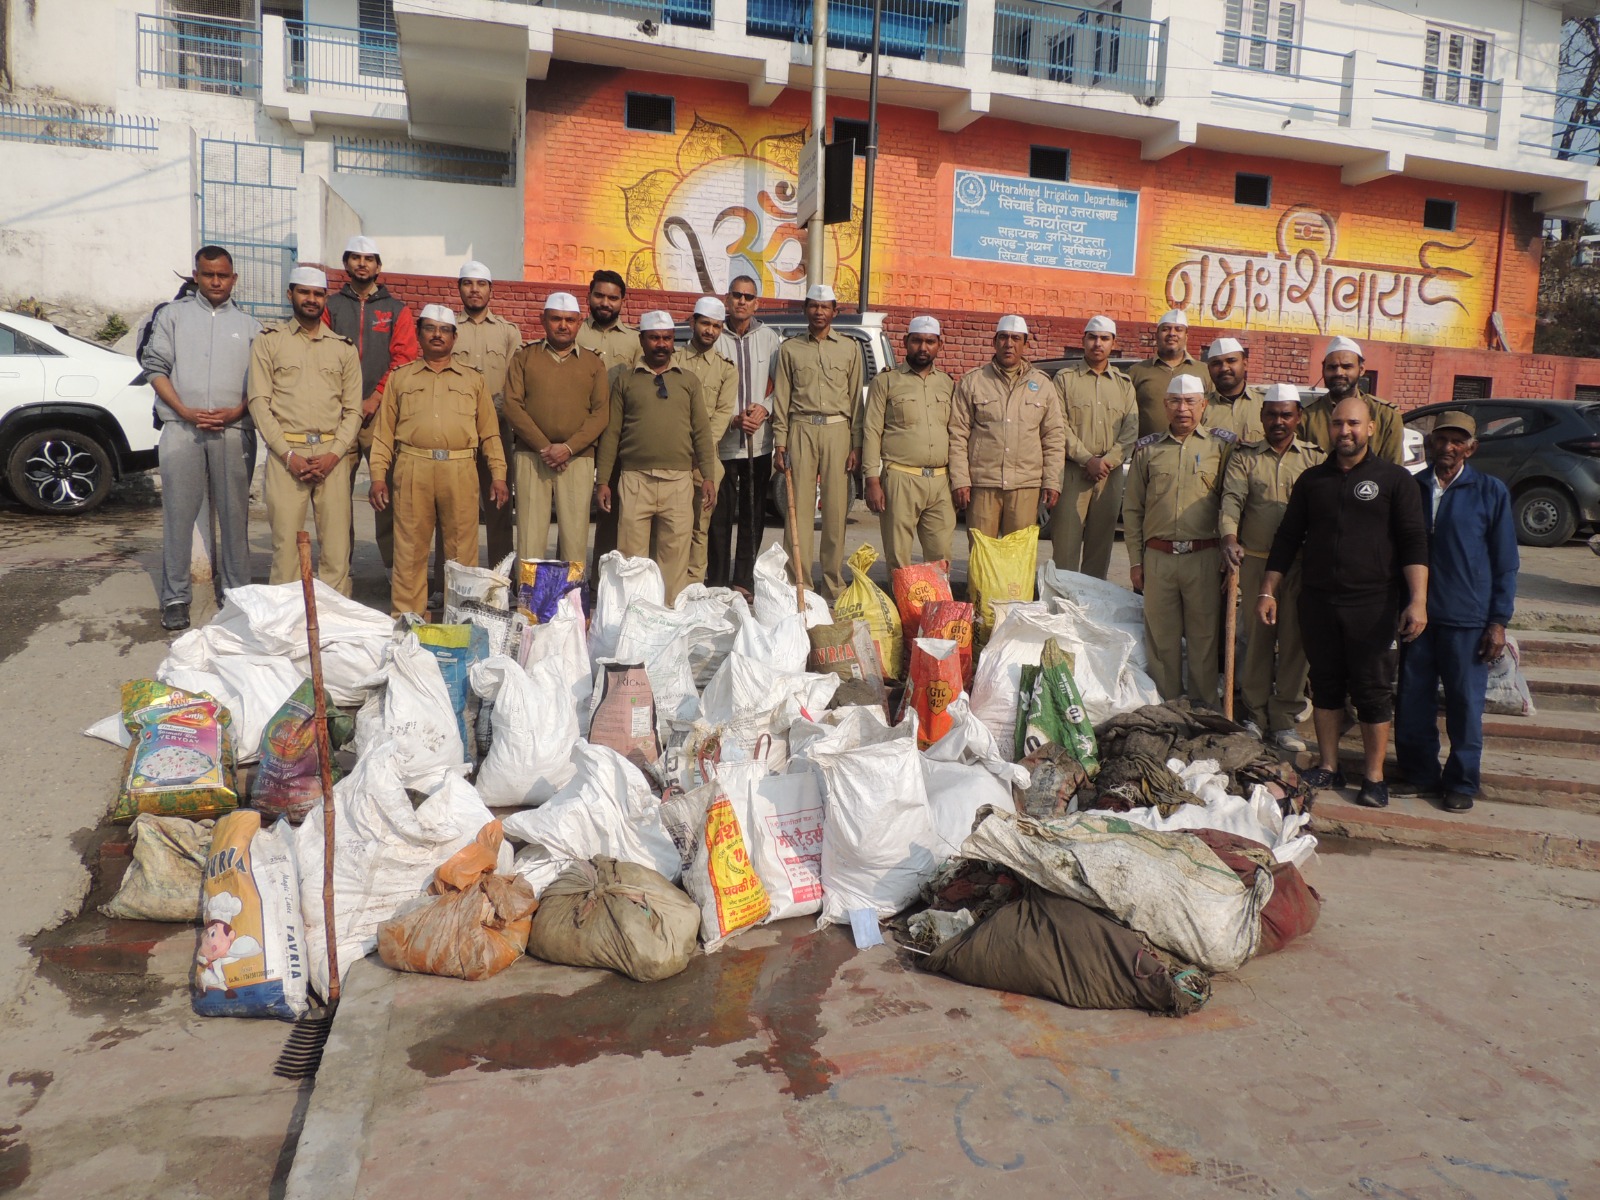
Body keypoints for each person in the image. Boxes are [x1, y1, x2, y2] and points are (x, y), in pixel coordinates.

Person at [1260, 396, 1430, 809]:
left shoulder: (1394, 480)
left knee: (1372, 690)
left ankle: (1373, 777)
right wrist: (1269, 588)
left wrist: (1418, 601)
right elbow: (1287, 538)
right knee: (1326, 685)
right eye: (1338, 424)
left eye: (1353, 424)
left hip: (1372, 604)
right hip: (1318, 601)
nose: (1345, 431)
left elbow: (1413, 542)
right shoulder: (1312, 481)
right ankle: (1329, 764)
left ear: (1370, 428)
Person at [1395, 411, 1519, 812]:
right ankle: (1419, 774)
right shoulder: (1411, 488)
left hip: (1467, 618)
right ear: (1429, 444)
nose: (1447, 448)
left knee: (1465, 705)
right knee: (1414, 699)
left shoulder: (1489, 491)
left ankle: (1462, 782)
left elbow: (1505, 562)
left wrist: (1498, 622)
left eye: (1457, 441)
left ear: (1471, 448)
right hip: (1417, 616)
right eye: (1441, 440)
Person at [140, 245, 261, 631]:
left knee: (235, 515)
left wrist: (237, 411)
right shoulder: (173, 317)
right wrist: (185, 410)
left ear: (233, 278)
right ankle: (175, 596)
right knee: (178, 515)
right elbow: (155, 368)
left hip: (232, 430)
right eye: (208, 274)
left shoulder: (250, 326)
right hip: (182, 428)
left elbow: (262, 384)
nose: (215, 281)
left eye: (222, 275)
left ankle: (238, 593)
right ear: (196, 275)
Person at [367, 306, 508, 620]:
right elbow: (384, 433)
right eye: (430, 328)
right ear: (419, 334)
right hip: (413, 466)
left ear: (454, 337)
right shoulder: (401, 379)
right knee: (409, 551)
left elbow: (489, 432)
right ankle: (406, 622)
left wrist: (498, 474)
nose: (437, 335)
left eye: (444, 330)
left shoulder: (473, 380)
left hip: (460, 469)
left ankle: (460, 622)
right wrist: (378, 475)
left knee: (462, 553)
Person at [1220, 382, 1326, 752]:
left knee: (1296, 642)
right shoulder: (1245, 457)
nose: (1278, 421)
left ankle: (1284, 720)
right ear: (1261, 417)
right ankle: (1254, 715)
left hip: (1300, 565)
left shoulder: (1314, 458)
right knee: (1257, 641)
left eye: (1286, 414)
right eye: (1271, 414)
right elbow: (1232, 499)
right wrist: (1229, 537)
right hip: (1257, 563)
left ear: (1298, 417)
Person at [246, 266, 363, 595]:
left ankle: (332, 627)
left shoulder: (343, 349)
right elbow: (258, 401)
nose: (311, 299)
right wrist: (288, 454)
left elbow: (353, 410)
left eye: (317, 293)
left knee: (337, 552)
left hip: (332, 456)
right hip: (288, 457)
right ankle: (285, 628)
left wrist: (334, 454)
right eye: (303, 292)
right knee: (286, 550)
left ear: (325, 298)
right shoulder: (270, 342)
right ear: (290, 295)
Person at [1124, 374, 1238, 705]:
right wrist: (1135, 560)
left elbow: (1231, 501)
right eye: (1175, 401)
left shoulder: (1221, 446)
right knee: (1162, 641)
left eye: (1190, 401)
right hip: (1158, 559)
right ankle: (1167, 708)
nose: (1182, 409)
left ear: (1203, 405)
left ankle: (1204, 709)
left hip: (1203, 557)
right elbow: (1132, 510)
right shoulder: (1148, 450)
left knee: (1204, 638)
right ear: (1165, 405)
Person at [595, 311, 717, 605]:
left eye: (666, 338)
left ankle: (670, 617)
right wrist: (603, 481)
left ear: (673, 341)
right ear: (642, 340)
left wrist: (709, 476)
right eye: (654, 338)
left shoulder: (688, 381)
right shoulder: (625, 381)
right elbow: (612, 433)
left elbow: (701, 431)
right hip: (636, 481)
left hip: (679, 482)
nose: (661, 344)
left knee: (674, 558)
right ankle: (634, 617)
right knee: (632, 559)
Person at [322, 235, 419, 583]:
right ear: (346, 263)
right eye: (355, 258)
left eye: (369, 258)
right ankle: (339, 569)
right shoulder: (330, 306)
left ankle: (395, 570)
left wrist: (376, 397)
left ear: (379, 266)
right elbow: (323, 358)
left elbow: (404, 358)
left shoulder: (395, 310)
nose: (362, 264)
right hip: (339, 415)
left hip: (381, 415)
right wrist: (347, 402)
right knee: (336, 497)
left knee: (387, 494)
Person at [502, 292, 610, 564]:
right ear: (543, 320)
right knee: (530, 536)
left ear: (579, 323)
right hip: (532, 456)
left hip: (577, 457)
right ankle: (529, 602)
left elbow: (600, 413)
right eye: (556, 319)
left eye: (570, 320)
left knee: (575, 538)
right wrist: (544, 447)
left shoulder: (593, 363)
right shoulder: (525, 358)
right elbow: (513, 406)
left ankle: (570, 600)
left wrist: (568, 448)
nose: (563, 325)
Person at [771, 284, 862, 600]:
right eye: (813, 306)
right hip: (801, 429)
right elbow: (781, 398)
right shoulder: (790, 349)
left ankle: (834, 582)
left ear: (835, 311)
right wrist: (779, 443)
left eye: (825, 307)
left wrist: (856, 444)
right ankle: (800, 583)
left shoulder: (850, 348)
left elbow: (855, 400)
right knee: (798, 511)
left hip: (838, 430)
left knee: (836, 510)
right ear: (805, 309)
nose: (819, 312)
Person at [949, 315, 1064, 538]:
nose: (1008, 343)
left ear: (1025, 344)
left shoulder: (1042, 385)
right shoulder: (973, 381)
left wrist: (1052, 481)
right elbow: (957, 434)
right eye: (1003, 337)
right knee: (983, 554)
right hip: (983, 484)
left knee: (1017, 556)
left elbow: (1053, 437)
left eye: (1015, 338)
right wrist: (960, 480)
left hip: (1025, 485)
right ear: (994, 342)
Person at [858, 315, 955, 573]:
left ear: (939, 345)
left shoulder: (947, 383)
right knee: (899, 558)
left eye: (930, 342)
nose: (923, 347)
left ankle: (937, 612)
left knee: (941, 556)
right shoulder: (886, 381)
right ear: (905, 342)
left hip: (940, 481)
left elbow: (956, 433)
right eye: (917, 341)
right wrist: (872, 480)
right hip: (901, 478)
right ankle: (904, 611)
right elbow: (871, 431)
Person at [1049, 314, 1137, 579]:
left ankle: (1089, 610)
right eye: (1092, 337)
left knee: (1100, 550)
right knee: (1065, 548)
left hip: (1108, 477)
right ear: (1083, 340)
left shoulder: (1124, 384)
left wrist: (1106, 462)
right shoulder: (1065, 379)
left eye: (1104, 338)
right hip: (1073, 473)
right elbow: (1058, 425)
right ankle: (1061, 609)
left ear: (1113, 343)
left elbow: (1130, 430)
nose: (1097, 343)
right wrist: (1087, 459)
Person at [709, 275, 782, 592]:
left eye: (748, 297)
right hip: (723, 443)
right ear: (727, 299)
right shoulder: (714, 334)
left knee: (753, 518)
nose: (741, 301)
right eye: (736, 295)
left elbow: (784, 387)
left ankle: (743, 581)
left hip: (759, 444)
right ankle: (717, 581)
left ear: (757, 303)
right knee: (718, 517)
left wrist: (765, 408)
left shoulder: (769, 338)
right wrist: (731, 419)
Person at [451, 259, 521, 565]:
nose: (474, 290)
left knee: (499, 506)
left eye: (480, 284)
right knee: (455, 508)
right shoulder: (449, 329)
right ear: (460, 289)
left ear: (491, 290)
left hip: (498, 429)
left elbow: (515, 384)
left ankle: (500, 577)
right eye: (468, 283)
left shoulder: (507, 332)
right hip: (457, 432)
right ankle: (450, 577)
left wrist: (493, 414)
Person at [581, 269, 642, 585]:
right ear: (589, 296)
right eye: (600, 296)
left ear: (622, 301)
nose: (605, 303)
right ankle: (570, 583)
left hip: (616, 439)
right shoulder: (574, 334)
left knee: (611, 513)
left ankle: (601, 583)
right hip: (577, 437)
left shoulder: (635, 340)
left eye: (612, 297)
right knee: (574, 511)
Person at [676, 297, 738, 585]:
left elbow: (723, 415)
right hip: (671, 456)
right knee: (671, 527)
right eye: (705, 323)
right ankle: (670, 585)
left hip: (706, 461)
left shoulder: (727, 369)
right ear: (692, 322)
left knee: (700, 529)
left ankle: (693, 587)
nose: (710, 330)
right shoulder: (673, 360)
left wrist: (698, 451)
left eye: (716, 326)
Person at [1301, 337, 1404, 464]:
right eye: (1332, 367)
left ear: (1361, 370)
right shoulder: (1307, 418)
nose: (1339, 372)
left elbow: (1394, 473)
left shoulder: (1386, 416)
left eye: (1346, 367)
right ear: (1323, 370)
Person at [1127, 309, 1205, 438]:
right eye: (1166, 329)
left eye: (1178, 329)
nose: (1172, 334)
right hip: (1148, 452)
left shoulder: (1204, 371)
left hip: (1195, 453)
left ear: (1186, 336)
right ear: (1157, 335)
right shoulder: (1137, 372)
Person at [1201, 337, 1265, 444]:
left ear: (1245, 364)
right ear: (1209, 369)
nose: (1224, 368)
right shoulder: (1200, 407)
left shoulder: (1266, 403)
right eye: (1216, 363)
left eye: (1231, 361)